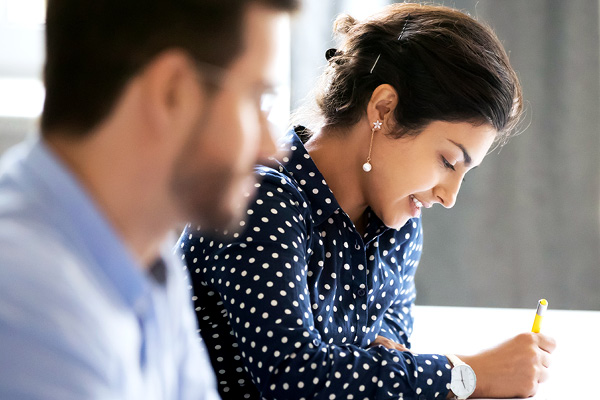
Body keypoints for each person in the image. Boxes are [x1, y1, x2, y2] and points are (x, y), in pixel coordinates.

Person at [179, 3, 557, 400]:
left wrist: (397, 372)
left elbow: (389, 352)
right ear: (384, 110)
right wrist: (469, 374)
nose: (449, 196)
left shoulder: (399, 222)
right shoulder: (258, 200)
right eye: (447, 161)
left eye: (465, 171)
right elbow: (295, 379)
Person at [0, 0, 298, 399]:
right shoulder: (28, 306)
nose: (271, 147)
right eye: (256, 100)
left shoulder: (148, 254)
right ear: (172, 92)